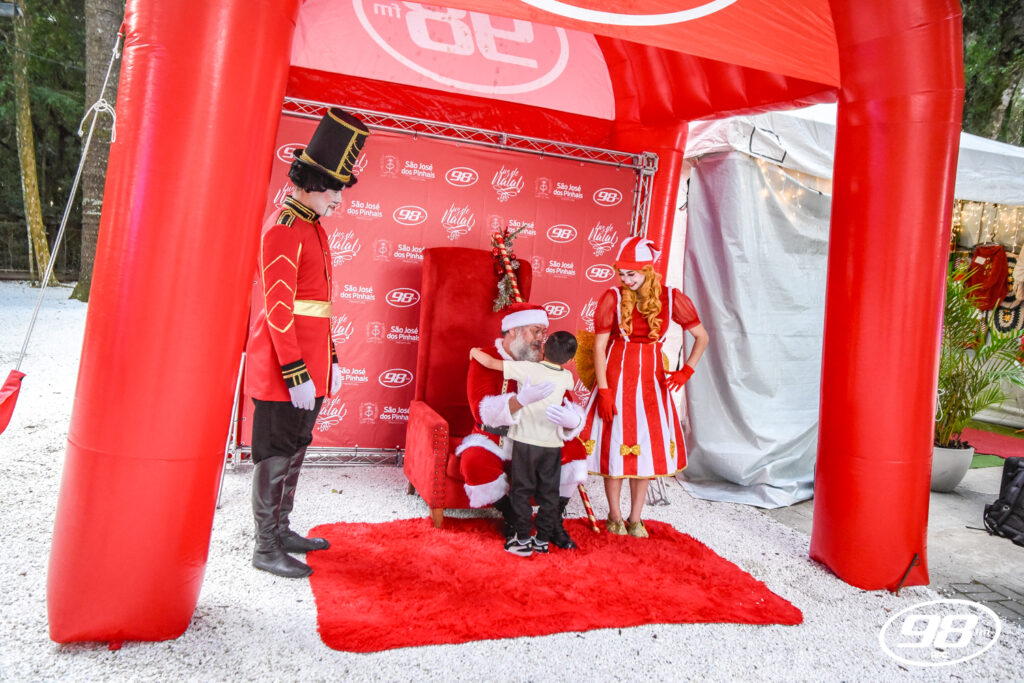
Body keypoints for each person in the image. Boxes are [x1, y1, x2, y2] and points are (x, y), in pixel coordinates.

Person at [245, 108, 370, 578]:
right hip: (284, 368)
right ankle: (265, 547)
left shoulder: (313, 227)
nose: (338, 198)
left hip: (309, 365)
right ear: (313, 183)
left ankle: (281, 530)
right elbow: (278, 310)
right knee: (275, 451)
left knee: (297, 445)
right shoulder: (284, 228)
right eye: (334, 189)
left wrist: (329, 359)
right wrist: (295, 370)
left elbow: (318, 307)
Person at [582, 236, 710, 538]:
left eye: (632, 274)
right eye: (622, 273)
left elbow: (701, 336)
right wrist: (604, 391)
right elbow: (599, 348)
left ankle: (635, 518)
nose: (626, 280)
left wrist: (686, 371)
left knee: (646, 454)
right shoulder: (612, 297)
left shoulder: (671, 298)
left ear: (648, 270)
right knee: (614, 449)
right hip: (615, 381)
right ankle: (614, 515)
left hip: (652, 387)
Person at [458, 302, 588, 549]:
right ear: (514, 330)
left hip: (537, 438)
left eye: (543, 332)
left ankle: (553, 520)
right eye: (536, 331)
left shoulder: (545, 361)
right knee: (474, 462)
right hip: (495, 441)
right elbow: (480, 411)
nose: (541, 338)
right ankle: (514, 517)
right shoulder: (488, 358)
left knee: (575, 452)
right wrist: (519, 401)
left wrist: (573, 420)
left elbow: (567, 401)